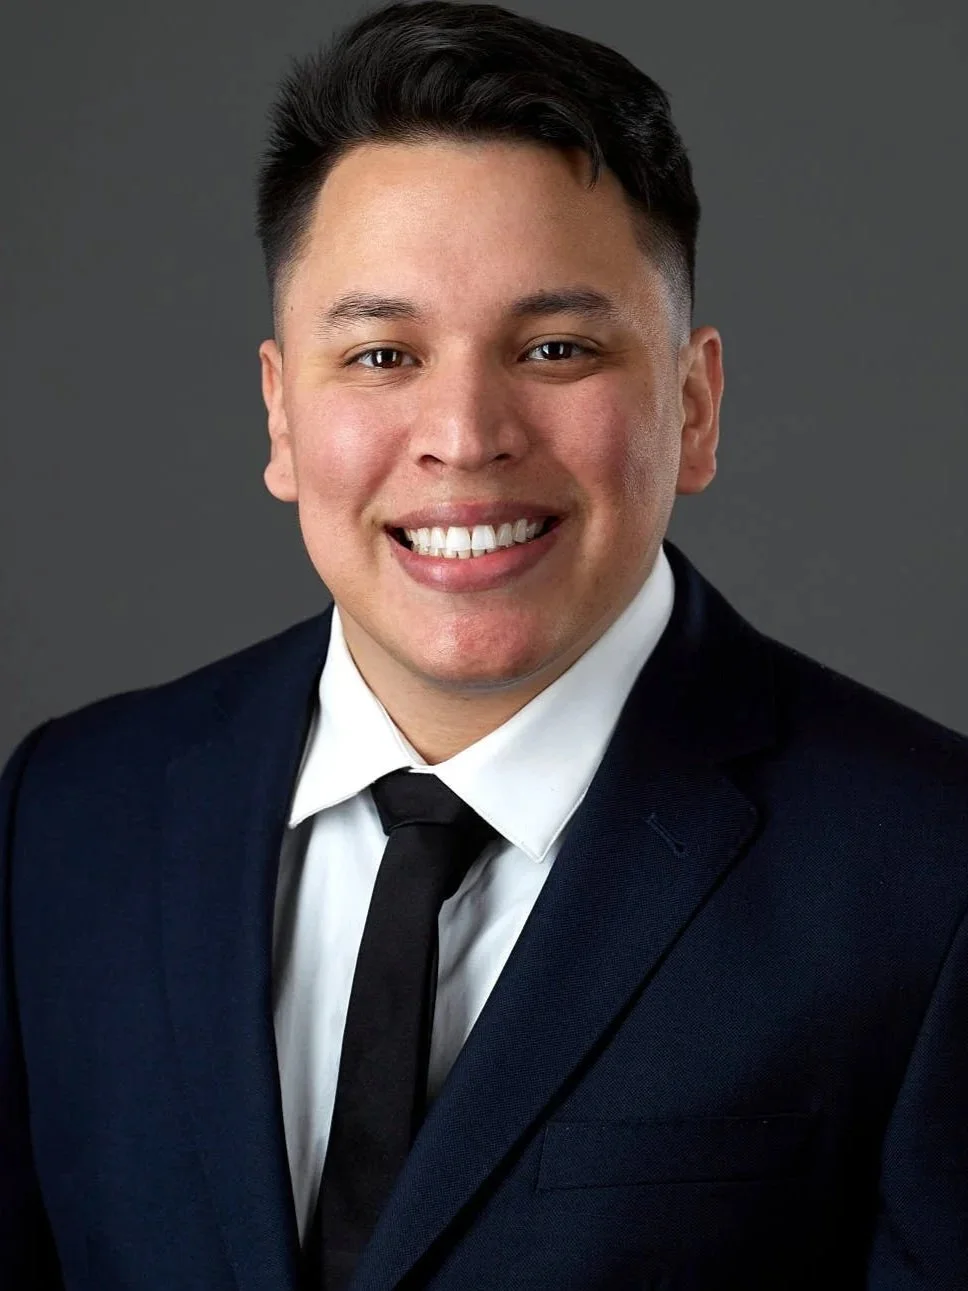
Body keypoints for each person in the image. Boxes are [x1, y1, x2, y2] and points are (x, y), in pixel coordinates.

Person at [2, 0, 967, 1286]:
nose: (463, 431)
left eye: (555, 347)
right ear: (283, 418)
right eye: (383, 351)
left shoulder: (932, 875)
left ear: (690, 405)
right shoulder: (67, 817)